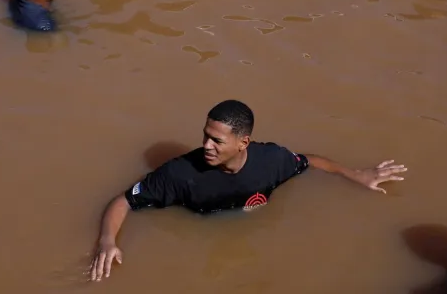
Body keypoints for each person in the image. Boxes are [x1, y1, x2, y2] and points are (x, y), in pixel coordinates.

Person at [89, 100, 409, 281]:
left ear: (244, 143)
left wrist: (356, 175)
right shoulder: (179, 174)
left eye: (216, 140)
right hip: (204, 245)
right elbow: (124, 200)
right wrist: (107, 240)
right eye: (205, 135)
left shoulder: (272, 160)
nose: (205, 146)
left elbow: (310, 161)